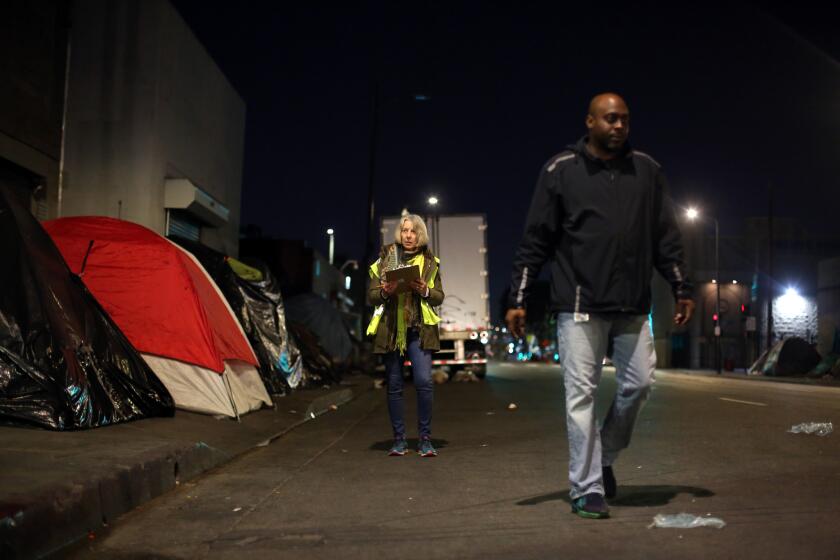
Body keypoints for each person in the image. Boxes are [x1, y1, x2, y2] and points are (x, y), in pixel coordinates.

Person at [506, 93, 695, 519]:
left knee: (640, 384)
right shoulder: (561, 171)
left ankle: (604, 456)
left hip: (631, 305)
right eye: (610, 119)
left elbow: (667, 236)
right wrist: (518, 298)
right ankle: (587, 488)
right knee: (581, 398)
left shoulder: (648, 172)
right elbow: (535, 240)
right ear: (590, 121)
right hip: (578, 306)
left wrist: (683, 287)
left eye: (625, 120)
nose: (619, 126)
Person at [367, 214, 445, 457]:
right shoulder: (385, 259)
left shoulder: (430, 261)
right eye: (404, 231)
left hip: (419, 330)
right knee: (395, 385)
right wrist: (385, 292)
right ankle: (399, 440)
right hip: (392, 330)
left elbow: (439, 296)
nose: (408, 235)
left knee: (424, 382)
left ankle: (424, 439)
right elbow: (371, 296)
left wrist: (425, 290)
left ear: (420, 234)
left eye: (413, 231)